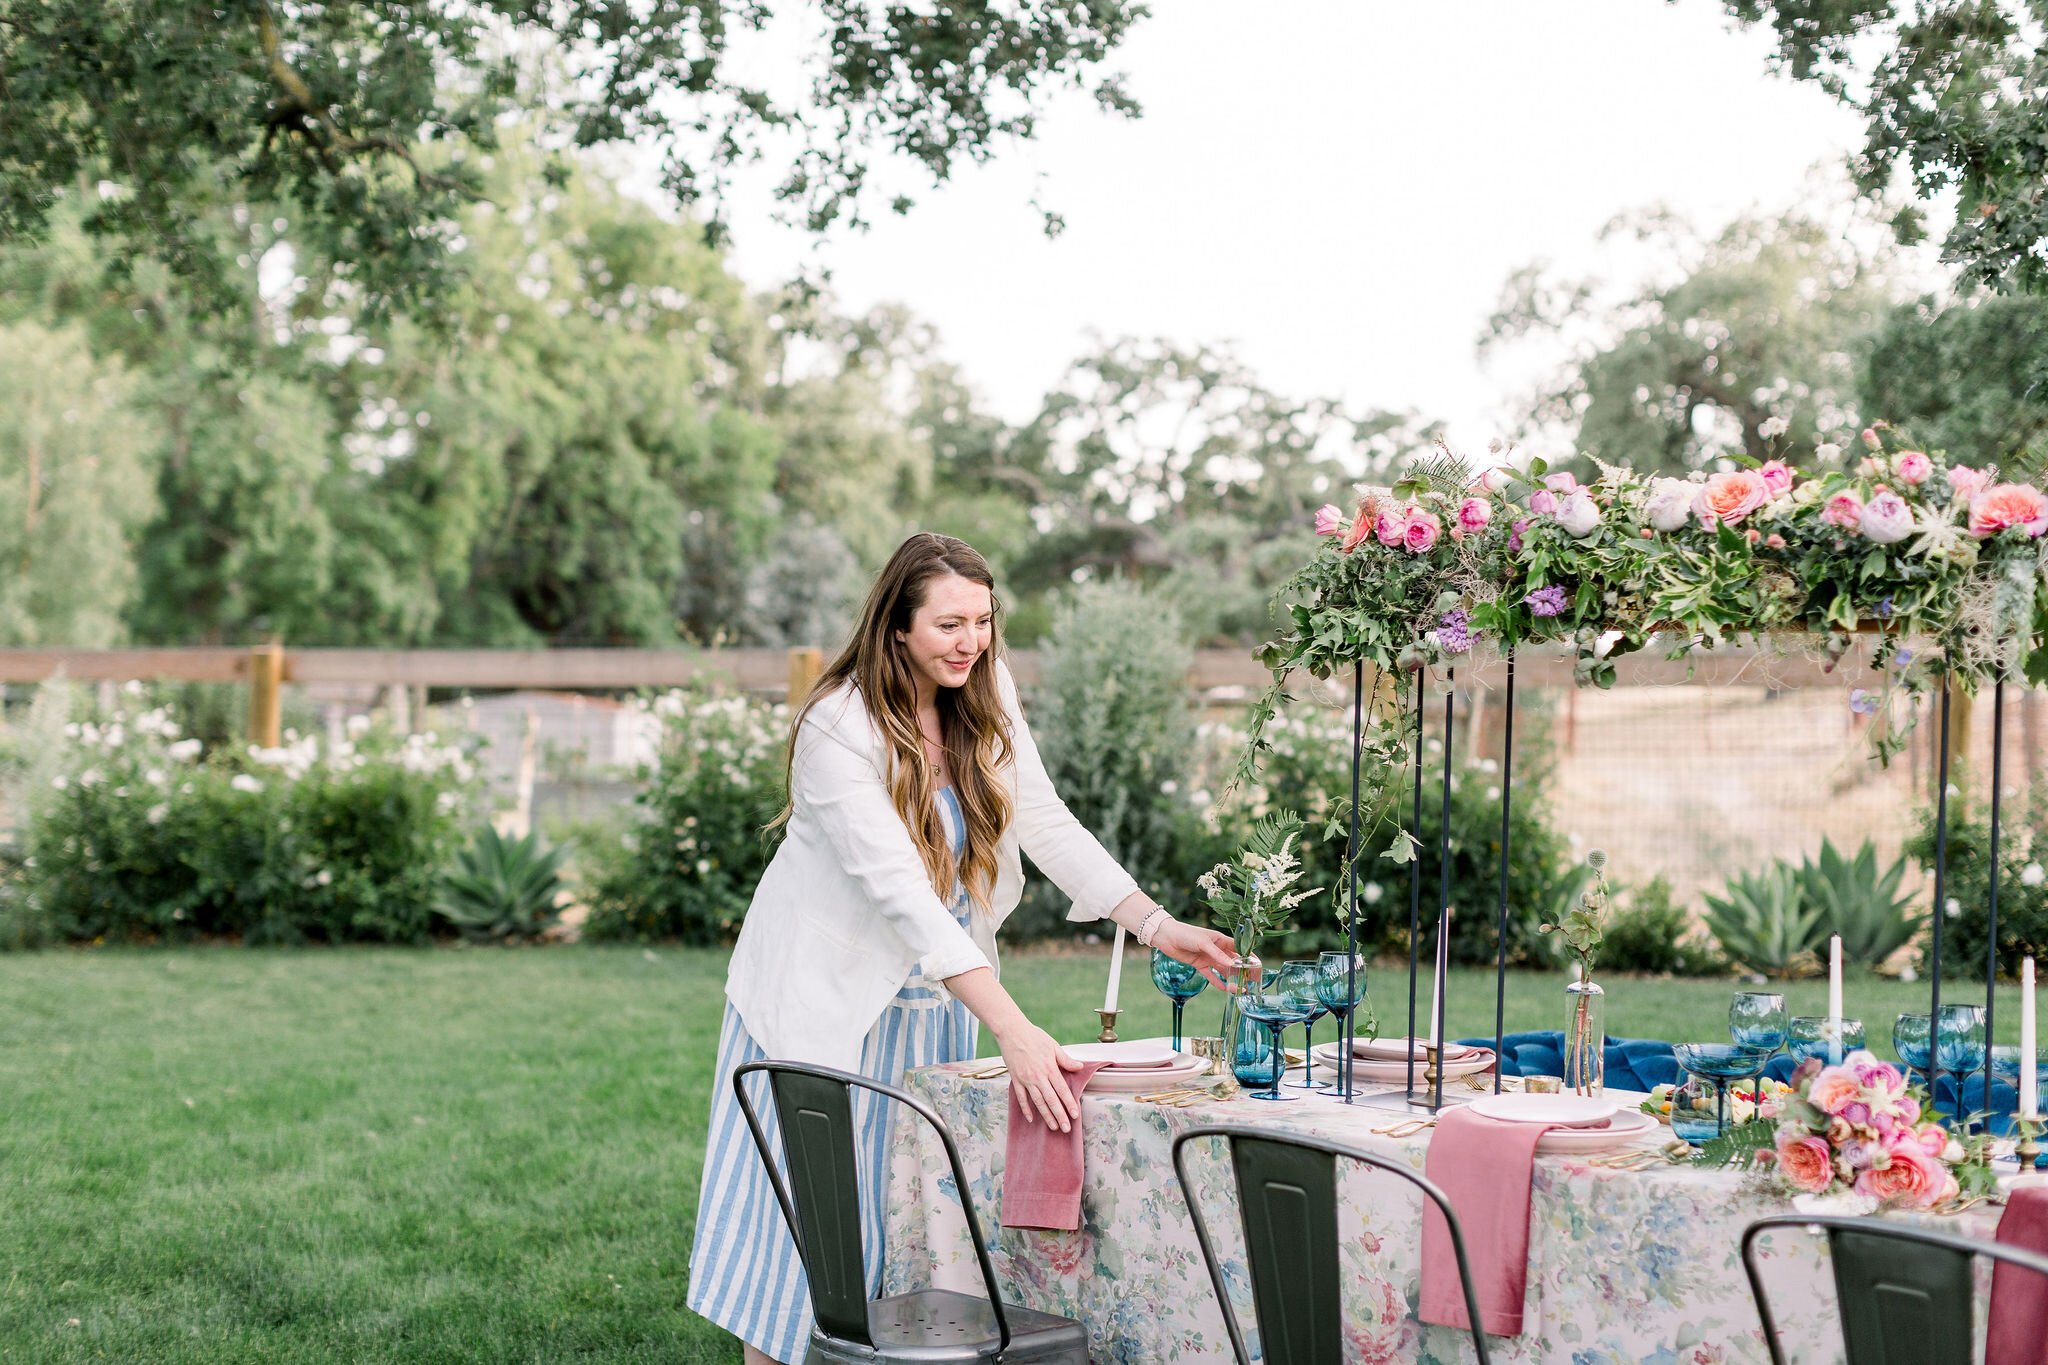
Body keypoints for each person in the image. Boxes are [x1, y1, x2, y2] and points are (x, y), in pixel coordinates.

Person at [687, 532, 1236, 1365]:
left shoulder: (984, 690)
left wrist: (1159, 924)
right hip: (824, 999)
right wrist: (1016, 1029)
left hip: (933, 999)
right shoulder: (839, 726)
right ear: (898, 624)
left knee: (906, 1218)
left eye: (982, 620)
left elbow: (1043, 817)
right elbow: (902, 894)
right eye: (949, 623)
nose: (971, 641)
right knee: (809, 1229)